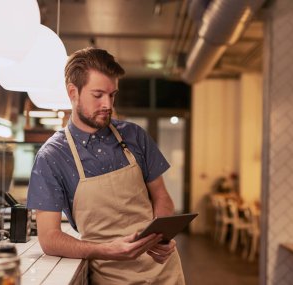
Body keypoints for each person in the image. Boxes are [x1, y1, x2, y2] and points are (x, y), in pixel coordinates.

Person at [27, 47, 186, 284]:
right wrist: (107, 250)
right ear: (73, 92)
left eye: (112, 95)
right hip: (111, 275)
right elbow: (49, 238)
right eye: (98, 94)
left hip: (163, 271)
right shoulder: (52, 157)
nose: (108, 104)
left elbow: (161, 197)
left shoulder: (134, 136)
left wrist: (161, 238)